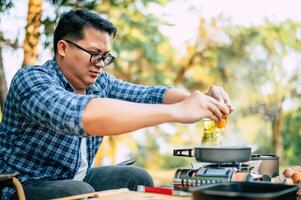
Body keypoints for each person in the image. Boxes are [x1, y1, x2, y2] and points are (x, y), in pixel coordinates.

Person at [0, 9, 233, 200]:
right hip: (23, 185)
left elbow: (150, 95)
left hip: (76, 177)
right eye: (94, 54)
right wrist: (177, 111)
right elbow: (81, 116)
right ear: (63, 48)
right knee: (80, 194)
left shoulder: (99, 83)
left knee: (136, 177)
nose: (101, 64)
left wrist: (200, 100)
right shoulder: (31, 79)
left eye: (106, 57)